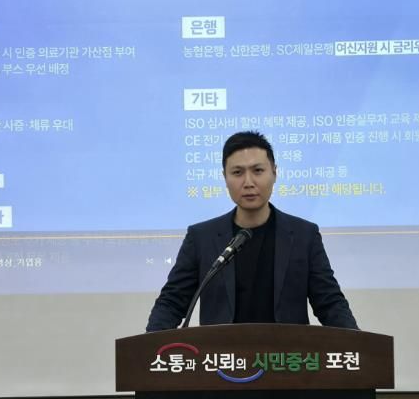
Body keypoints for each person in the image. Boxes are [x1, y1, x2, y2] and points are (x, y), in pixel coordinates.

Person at [146, 131, 358, 331]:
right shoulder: (201, 237)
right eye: (237, 173)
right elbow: (172, 302)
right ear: (225, 177)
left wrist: (360, 346)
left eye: (258, 171)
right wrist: (148, 347)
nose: (248, 183)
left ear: (274, 173)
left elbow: (330, 303)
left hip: (286, 354)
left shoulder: (304, 235)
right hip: (222, 354)